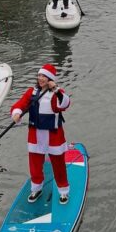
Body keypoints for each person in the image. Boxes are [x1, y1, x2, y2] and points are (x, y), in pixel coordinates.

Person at [11, 64, 71, 204]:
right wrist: (17, 113)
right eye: (39, 75)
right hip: (36, 135)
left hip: (53, 136)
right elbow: (20, 104)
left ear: (50, 79)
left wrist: (55, 89)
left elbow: (64, 105)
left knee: (59, 166)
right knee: (35, 165)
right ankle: (36, 188)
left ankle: (63, 191)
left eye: (44, 76)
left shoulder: (57, 93)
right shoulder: (32, 92)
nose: (40, 78)